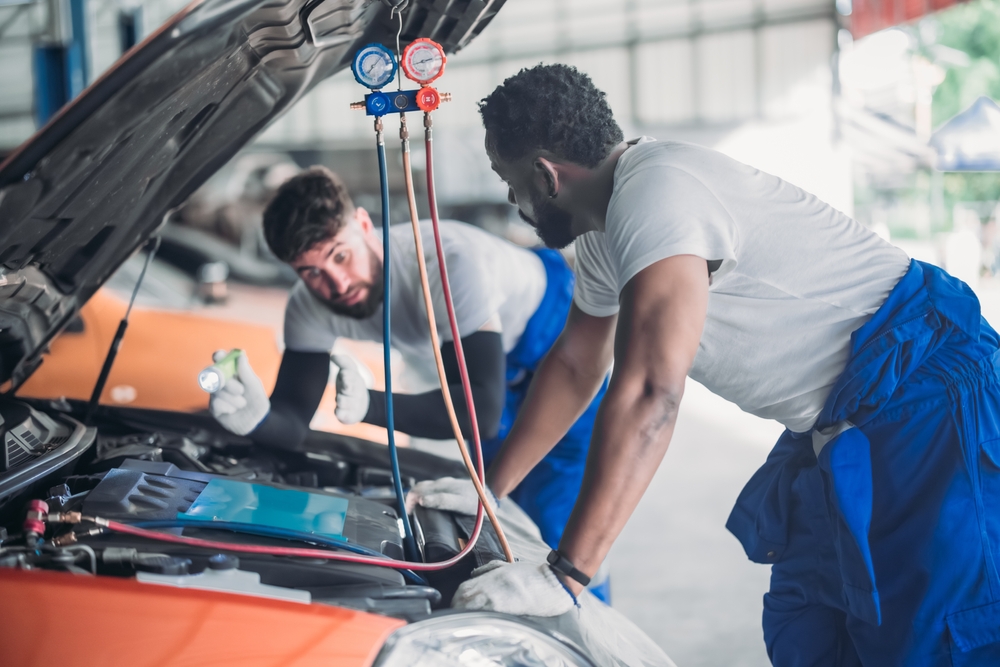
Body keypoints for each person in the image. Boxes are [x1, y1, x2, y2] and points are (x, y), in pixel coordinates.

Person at [413, 63, 1000, 666]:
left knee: (935, 631)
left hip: (928, 389)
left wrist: (565, 574)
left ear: (544, 174)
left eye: (510, 185)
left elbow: (649, 392)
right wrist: (489, 493)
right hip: (844, 417)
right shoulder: (599, 233)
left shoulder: (658, 192)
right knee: (818, 623)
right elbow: (573, 365)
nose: (514, 204)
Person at [206, 166, 611, 600]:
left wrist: (370, 408)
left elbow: (484, 414)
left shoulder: (443, 260)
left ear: (364, 225)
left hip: (550, 333)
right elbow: (290, 421)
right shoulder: (309, 306)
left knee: (557, 528)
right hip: (479, 368)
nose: (336, 284)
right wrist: (255, 419)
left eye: (341, 255)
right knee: (497, 518)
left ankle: (588, 626)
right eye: (311, 272)